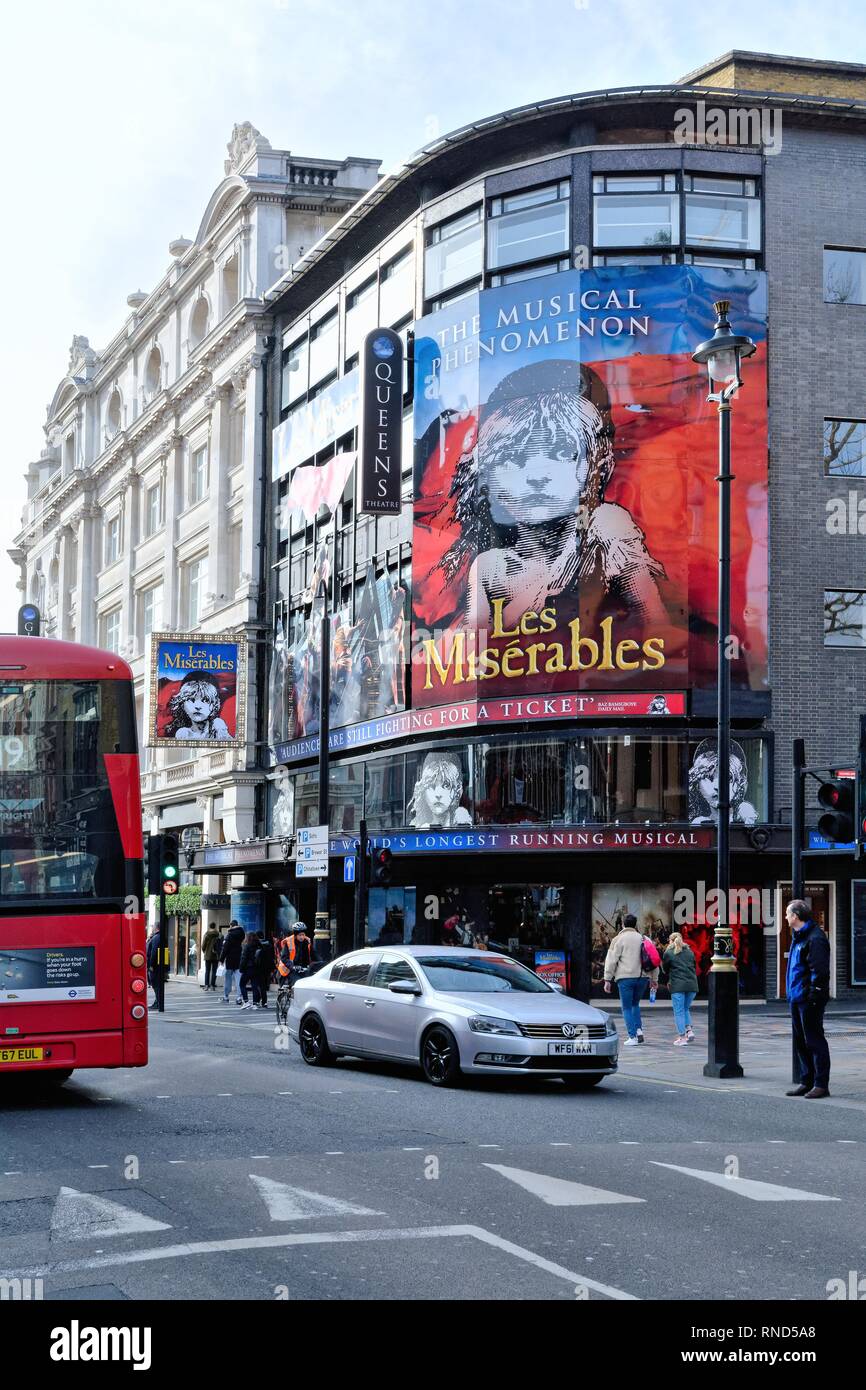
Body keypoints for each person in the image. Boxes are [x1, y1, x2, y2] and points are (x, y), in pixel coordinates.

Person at [435, 359, 670, 636]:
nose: (537, 475)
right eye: (514, 457)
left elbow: (658, 628)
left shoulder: (606, 528)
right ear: (487, 475)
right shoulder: (490, 568)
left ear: (598, 464)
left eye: (561, 453)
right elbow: (471, 651)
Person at [785, 899, 832, 1099]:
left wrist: (814, 995)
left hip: (808, 999)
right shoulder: (799, 937)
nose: (786, 917)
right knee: (801, 1042)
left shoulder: (815, 938)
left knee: (814, 1040)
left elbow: (819, 971)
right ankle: (807, 1081)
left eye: (787, 913)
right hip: (797, 997)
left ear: (795, 916)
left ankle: (821, 1084)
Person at [602, 913, 658, 1046]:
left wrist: (607, 979)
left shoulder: (618, 939)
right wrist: (654, 979)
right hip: (643, 978)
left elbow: (611, 960)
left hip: (625, 978)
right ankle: (638, 1030)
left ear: (623, 924)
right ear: (635, 924)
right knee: (635, 1004)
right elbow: (654, 959)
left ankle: (632, 1036)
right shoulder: (644, 939)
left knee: (626, 1007)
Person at [688, 739, 758, 826]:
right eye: (709, 778)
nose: (717, 786)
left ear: (740, 784)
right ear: (697, 784)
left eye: (728, 778)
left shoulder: (745, 813)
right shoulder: (698, 822)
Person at [407, 752, 472, 829]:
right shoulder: (417, 826)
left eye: (446, 786)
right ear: (424, 792)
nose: (438, 794)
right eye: (431, 786)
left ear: (456, 792)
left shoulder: (462, 819)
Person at [164, 675, 231, 741]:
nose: (198, 706)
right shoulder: (183, 733)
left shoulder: (218, 727)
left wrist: (222, 732)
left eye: (205, 700)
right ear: (182, 704)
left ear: (214, 705)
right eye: (192, 700)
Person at [661, 931, 699, 1046]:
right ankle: (689, 1031)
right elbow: (694, 965)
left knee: (678, 1011)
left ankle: (682, 1038)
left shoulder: (669, 953)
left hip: (678, 986)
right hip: (692, 985)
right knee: (685, 1009)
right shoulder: (690, 951)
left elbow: (665, 969)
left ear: (671, 941)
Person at [220, 919, 246, 1005]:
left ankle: (226, 996)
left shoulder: (229, 935)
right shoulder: (242, 934)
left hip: (230, 959)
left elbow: (225, 948)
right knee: (239, 979)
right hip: (239, 958)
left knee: (228, 979)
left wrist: (221, 959)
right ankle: (239, 997)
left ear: (231, 926)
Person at [239, 931, 261, 1011]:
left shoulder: (247, 946)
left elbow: (244, 958)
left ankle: (246, 1002)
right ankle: (255, 1004)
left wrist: (241, 968)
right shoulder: (259, 945)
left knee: (242, 984)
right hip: (257, 968)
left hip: (248, 968)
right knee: (255, 986)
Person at [253, 933, 274, 1009]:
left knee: (260, 986)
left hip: (259, 969)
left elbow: (256, 959)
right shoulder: (269, 946)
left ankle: (261, 1001)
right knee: (264, 986)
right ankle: (263, 1002)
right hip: (267, 969)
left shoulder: (258, 946)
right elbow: (272, 958)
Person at [146, 923, 163, 1008]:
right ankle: (157, 1002)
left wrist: (151, 965)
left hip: (155, 966)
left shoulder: (157, 937)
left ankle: (158, 1003)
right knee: (155, 984)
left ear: (156, 928)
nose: (152, 929)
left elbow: (154, 952)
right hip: (155, 965)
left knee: (155, 984)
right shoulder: (156, 937)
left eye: (153, 927)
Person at [201, 922, 222, 991]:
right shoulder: (219, 934)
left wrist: (205, 951)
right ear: (215, 926)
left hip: (208, 955)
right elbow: (221, 944)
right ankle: (213, 986)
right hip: (216, 955)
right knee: (214, 971)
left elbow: (203, 945)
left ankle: (206, 985)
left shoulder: (207, 934)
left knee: (207, 970)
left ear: (209, 927)